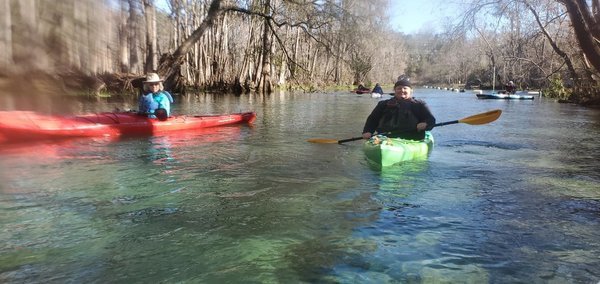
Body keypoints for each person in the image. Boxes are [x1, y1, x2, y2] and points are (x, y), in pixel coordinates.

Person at [362, 76, 436, 141]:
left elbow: (431, 120)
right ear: (394, 90)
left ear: (411, 91)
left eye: (405, 88)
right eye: (399, 88)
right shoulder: (383, 104)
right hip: (385, 138)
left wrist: (426, 124)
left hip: (412, 139)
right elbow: (372, 119)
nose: (402, 90)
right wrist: (367, 131)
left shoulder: (419, 104)